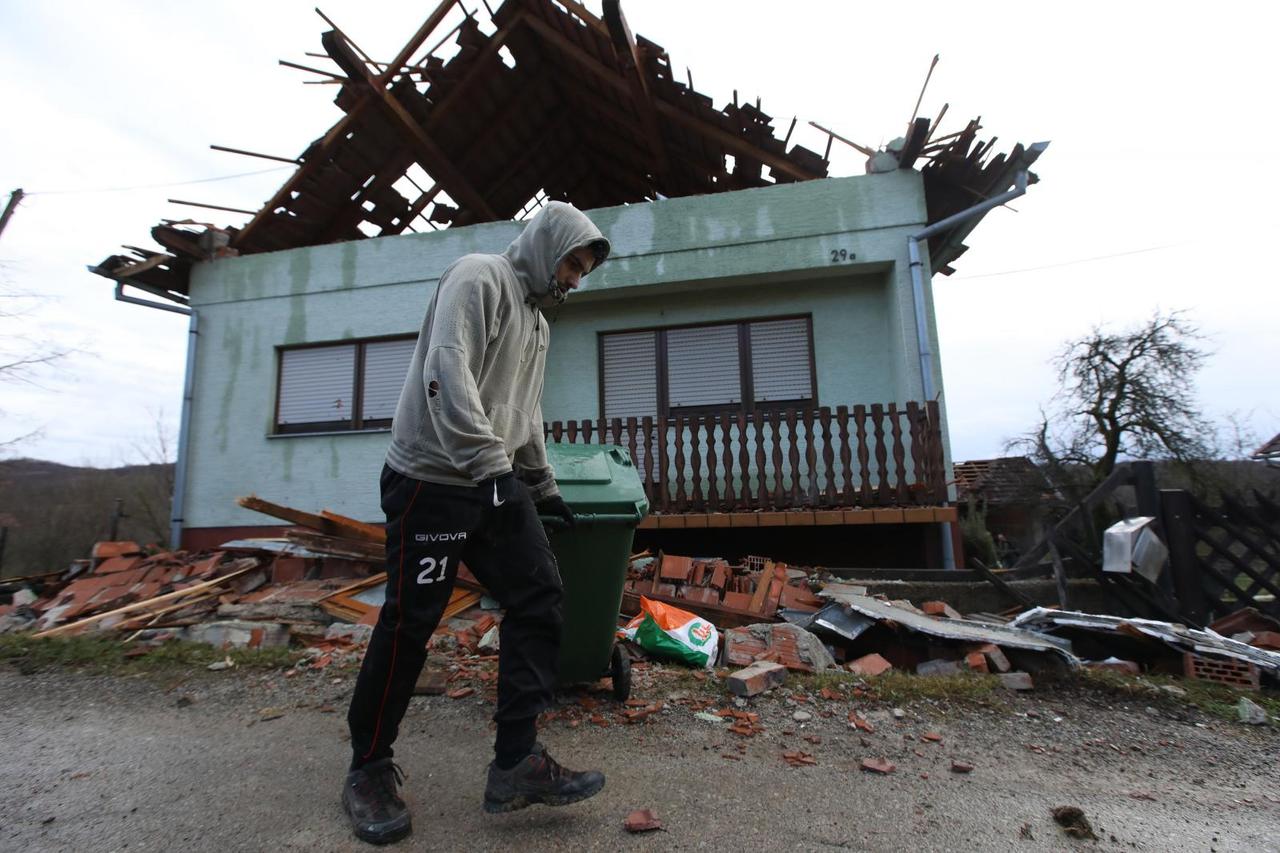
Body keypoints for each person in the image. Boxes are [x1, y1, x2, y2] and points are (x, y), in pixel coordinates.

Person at [342, 202, 611, 844]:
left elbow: (524, 407)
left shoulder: (539, 322)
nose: (575, 277)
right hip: (432, 478)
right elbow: (447, 370)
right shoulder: (478, 276)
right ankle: (368, 769)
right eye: (571, 261)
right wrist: (490, 465)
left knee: (539, 594)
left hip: (492, 476)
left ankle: (516, 764)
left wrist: (540, 484)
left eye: (583, 269)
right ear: (547, 246)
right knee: (413, 620)